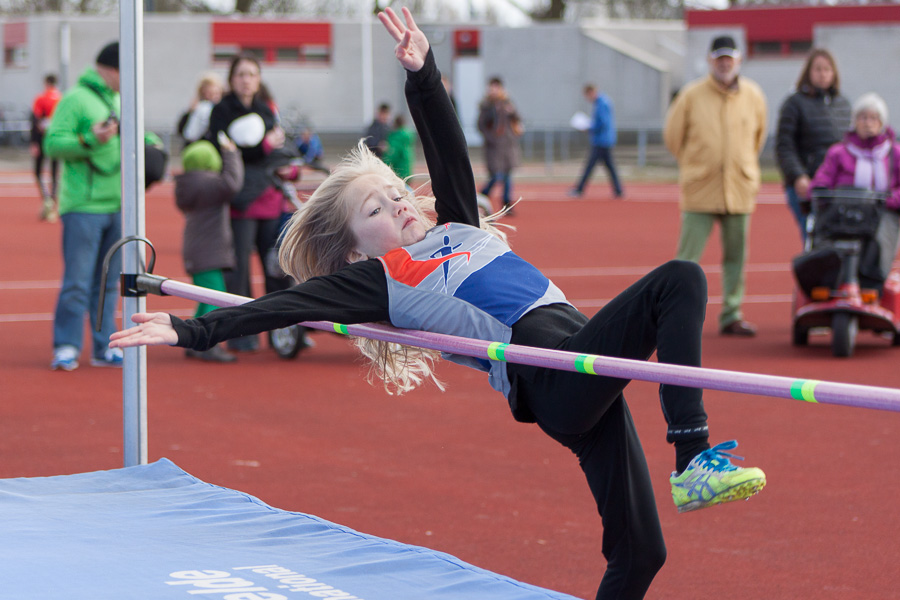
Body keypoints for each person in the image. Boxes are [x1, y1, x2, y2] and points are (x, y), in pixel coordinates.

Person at [110, 10, 766, 599]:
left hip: (578, 366)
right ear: (356, 251)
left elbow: (446, 145)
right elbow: (278, 307)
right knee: (679, 279)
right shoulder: (386, 278)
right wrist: (191, 332)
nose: (397, 202)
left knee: (640, 552)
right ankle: (693, 459)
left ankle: (685, 475)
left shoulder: (460, 226)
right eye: (375, 208)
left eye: (395, 191)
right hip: (551, 372)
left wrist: (422, 73)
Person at [664, 35, 767, 337]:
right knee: (686, 260)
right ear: (711, 61)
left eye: (730, 58)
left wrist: (741, 164)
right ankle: (675, 315)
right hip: (701, 189)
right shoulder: (691, 95)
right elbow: (673, 137)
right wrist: (695, 163)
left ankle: (732, 314)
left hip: (739, 189)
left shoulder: (753, 95)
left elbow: (758, 137)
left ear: (738, 61)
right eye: (719, 58)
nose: (725, 64)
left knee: (736, 257)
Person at [206, 53, 302, 353]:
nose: (246, 79)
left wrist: (291, 168)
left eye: (252, 74)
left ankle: (281, 334)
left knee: (277, 269)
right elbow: (226, 151)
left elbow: (279, 151)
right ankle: (241, 333)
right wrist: (262, 147)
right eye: (241, 74)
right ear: (231, 79)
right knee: (239, 273)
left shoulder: (265, 110)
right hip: (241, 203)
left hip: (271, 202)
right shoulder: (221, 112)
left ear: (258, 80)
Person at [44, 41, 124, 371]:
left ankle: (104, 346)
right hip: (83, 206)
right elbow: (52, 144)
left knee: (108, 283)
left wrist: (153, 145)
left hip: (118, 204)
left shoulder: (120, 98)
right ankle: (66, 346)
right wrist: (89, 139)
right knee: (78, 281)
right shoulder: (75, 99)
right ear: (111, 69)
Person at [809, 92, 900, 291]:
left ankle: (871, 285)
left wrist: (890, 200)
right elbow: (822, 178)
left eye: (873, 118)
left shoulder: (894, 153)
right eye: (863, 117)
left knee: (881, 236)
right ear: (854, 121)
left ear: (882, 122)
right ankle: (830, 281)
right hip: (843, 209)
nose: (868, 123)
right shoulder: (838, 152)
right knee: (826, 234)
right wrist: (821, 190)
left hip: (881, 211)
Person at [174, 137, 245, 362]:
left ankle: (192, 339)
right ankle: (204, 344)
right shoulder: (208, 184)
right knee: (214, 299)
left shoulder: (190, 183)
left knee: (205, 298)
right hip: (208, 251)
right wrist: (231, 153)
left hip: (200, 250)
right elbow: (232, 183)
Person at [775, 49, 851, 242]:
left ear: (834, 73)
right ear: (808, 72)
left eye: (827, 69)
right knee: (813, 238)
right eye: (818, 69)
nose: (823, 73)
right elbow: (784, 145)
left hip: (838, 187)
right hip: (806, 184)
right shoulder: (794, 103)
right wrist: (798, 176)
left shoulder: (843, 104)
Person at [568, 84, 624, 199]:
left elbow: (603, 123)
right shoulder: (602, 102)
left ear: (591, 92)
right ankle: (618, 190)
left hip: (602, 141)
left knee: (590, 166)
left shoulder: (602, 103)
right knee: (608, 166)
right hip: (604, 140)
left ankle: (579, 189)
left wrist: (589, 128)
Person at [477, 76, 521, 213]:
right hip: (494, 147)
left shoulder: (507, 103)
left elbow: (517, 119)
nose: (495, 90)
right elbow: (481, 125)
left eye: (497, 87)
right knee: (496, 175)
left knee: (508, 175)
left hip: (508, 145)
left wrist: (511, 110)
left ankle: (507, 204)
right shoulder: (486, 105)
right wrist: (491, 138)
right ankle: (482, 196)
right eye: (492, 87)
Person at [30, 74, 62, 222]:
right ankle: (52, 201)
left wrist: (34, 142)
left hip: (43, 140)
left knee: (38, 171)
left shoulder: (41, 99)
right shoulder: (62, 99)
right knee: (55, 172)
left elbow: (35, 121)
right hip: (56, 140)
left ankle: (47, 199)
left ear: (46, 83)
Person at [177, 73, 224, 145]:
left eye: (216, 93)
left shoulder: (224, 109)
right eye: (210, 93)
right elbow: (183, 130)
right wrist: (190, 112)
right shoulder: (199, 108)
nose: (214, 97)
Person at [383, 114, 416, 181]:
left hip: (398, 170)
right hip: (407, 168)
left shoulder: (396, 137)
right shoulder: (408, 135)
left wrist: (383, 164)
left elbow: (392, 154)